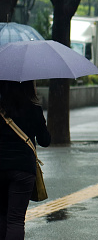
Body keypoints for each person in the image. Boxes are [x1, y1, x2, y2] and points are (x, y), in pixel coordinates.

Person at [0, 81, 51, 239]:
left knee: (1, 216)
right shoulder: (33, 108)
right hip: (23, 169)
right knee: (15, 219)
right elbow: (45, 141)